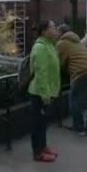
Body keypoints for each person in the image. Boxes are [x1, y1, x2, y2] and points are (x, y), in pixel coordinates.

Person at [56, 24, 87, 138]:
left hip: (82, 72)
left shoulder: (62, 43)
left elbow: (57, 62)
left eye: (57, 32)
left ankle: (79, 128)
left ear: (61, 33)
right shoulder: (77, 41)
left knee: (76, 101)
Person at [28, 20, 60, 162]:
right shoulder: (40, 47)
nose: (56, 30)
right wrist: (45, 95)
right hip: (40, 93)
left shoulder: (49, 45)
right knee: (37, 123)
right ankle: (38, 152)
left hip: (48, 91)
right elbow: (41, 74)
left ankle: (43, 146)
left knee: (43, 122)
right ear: (44, 31)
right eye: (53, 28)